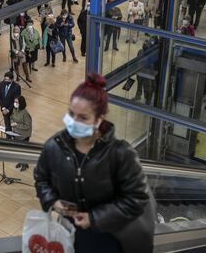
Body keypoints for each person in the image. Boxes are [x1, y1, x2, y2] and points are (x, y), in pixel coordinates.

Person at [34, 73, 153, 253]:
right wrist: (52, 201)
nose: (73, 122)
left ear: (99, 118)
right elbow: (41, 178)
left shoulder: (120, 153)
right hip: (68, 231)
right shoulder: (54, 146)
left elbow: (137, 198)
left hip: (109, 235)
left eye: (83, 118)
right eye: (71, 114)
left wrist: (94, 218)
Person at [11, 95, 32, 172]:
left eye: (17, 102)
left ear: (21, 103)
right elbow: (11, 118)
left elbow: (27, 126)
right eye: (14, 102)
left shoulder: (25, 113)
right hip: (16, 133)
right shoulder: (14, 109)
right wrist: (12, 122)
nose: (15, 103)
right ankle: (20, 161)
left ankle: (25, 164)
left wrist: (17, 124)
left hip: (24, 135)